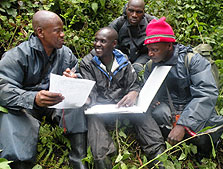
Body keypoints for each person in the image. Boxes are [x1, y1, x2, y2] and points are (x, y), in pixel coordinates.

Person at [0, 10, 87, 169]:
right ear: (40, 32)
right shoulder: (18, 55)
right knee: (9, 116)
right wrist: (32, 98)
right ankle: (19, 163)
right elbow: (2, 86)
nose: (63, 35)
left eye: (63, 30)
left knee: (76, 106)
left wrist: (74, 80)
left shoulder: (65, 53)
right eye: (57, 31)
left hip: (55, 106)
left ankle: (79, 160)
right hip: (27, 108)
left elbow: (79, 73)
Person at [80, 27, 165, 168]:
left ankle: (158, 157)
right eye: (96, 40)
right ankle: (103, 161)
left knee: (142, 113)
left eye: (103, 41)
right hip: (100, 109)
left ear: (114, 44)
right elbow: (91, 93)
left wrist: (133, 93)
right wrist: (86, 99)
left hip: (123, 107)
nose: (97, 44)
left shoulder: (123, 61)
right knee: (93, 120)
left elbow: (133, 84)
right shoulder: (87, 63)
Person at [143, 17, 223, 158]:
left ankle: (202, 154)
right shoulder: (150, 66)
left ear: (169, 46)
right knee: (158, 112)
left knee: (208, 130)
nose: (150, 54)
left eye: (155, 50)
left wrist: (183, 124)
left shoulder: (192, 61)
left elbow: (206, 93)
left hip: (194, 110)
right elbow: (149, 93)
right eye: (149, 50)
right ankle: (175, 150)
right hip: (169, 112)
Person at [109, 0, 157, 74]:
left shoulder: (152, 23)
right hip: (121, 57)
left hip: (144, 56)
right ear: (126, 10)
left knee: (137, 68)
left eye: (139, 12)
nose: (134, 15)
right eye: (131, 11)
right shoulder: (118, 23)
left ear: (144, 12)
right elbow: (104, 43)